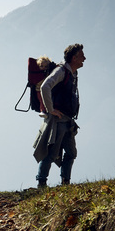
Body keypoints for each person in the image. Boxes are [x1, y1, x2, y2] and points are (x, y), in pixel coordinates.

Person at [33, 44, 85, 188]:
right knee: (51, 153)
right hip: (58, 120)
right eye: (81, 56)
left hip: (68, 120)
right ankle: (41, 183)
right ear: (74, 58)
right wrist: (51, 110)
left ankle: (65, 183)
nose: (84, 58)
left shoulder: (72, 73)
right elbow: (45, 86)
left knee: (71, 152)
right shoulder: (61, 71)